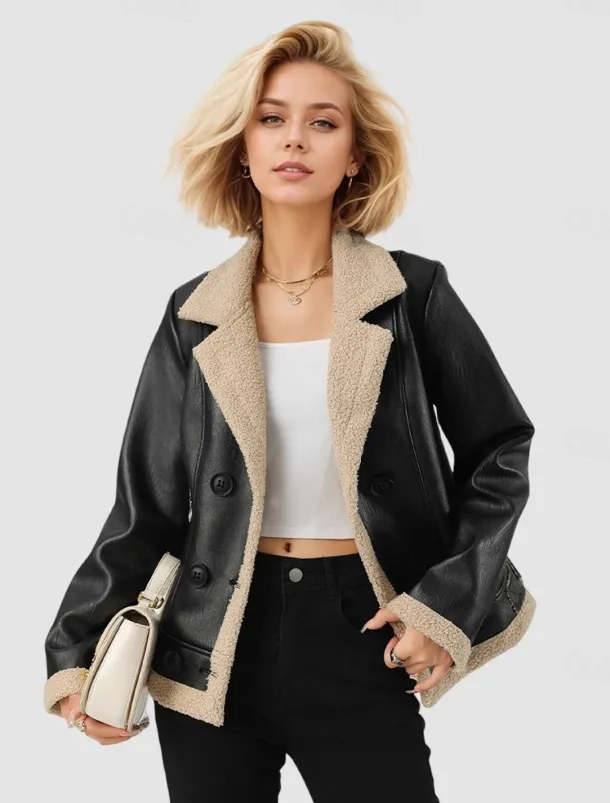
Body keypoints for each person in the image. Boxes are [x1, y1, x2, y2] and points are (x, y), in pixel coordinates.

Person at [43, 19, 536, 802]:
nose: (294, 138)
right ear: (243, 146)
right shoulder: (195, 313)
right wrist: (75, 653)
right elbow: (146, 503)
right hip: (210, 644)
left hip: (360, 628)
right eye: (271, 118)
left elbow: (500, 449)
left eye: (323, 122)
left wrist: (441, 605)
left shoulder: (413, 295)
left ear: (356, 156)